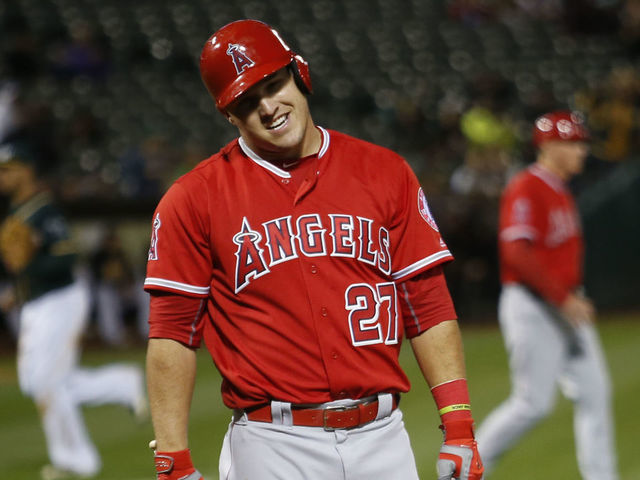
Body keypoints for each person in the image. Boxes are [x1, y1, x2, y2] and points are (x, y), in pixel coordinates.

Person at [144, 19, 483, 480]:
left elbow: (426, 302)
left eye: (273, 83)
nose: (267, 107)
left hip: (383, 436)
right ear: (228, 115)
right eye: (246, 101)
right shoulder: (194, 197)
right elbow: (172, 333)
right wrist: (172, 458)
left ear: (300, 73)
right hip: (272, 445)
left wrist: (459, 424)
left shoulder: (385, 172)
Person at [475, 111, 618, 479]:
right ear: (550, 146)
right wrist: (563, 297)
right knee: (533, 403)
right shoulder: (527, 186)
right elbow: (516, 253)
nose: (582, 151)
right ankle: (467, 469)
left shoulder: (559, 187)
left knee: (595, 393)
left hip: (562, 305)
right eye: (574, 144)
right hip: (533, 305)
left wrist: (567, 297)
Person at [0, 139, 148, 480]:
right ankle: (121, 384)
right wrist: (17, 290)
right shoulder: (16, 211)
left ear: (27, 170)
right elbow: (25, 267)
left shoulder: (43, 209)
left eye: (9, 169)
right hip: (38, 303)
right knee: (36, 382)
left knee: (46, 384)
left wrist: (34, 256)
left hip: (61, 300)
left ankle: (76, 460)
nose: (4, 177)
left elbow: (67, 256)